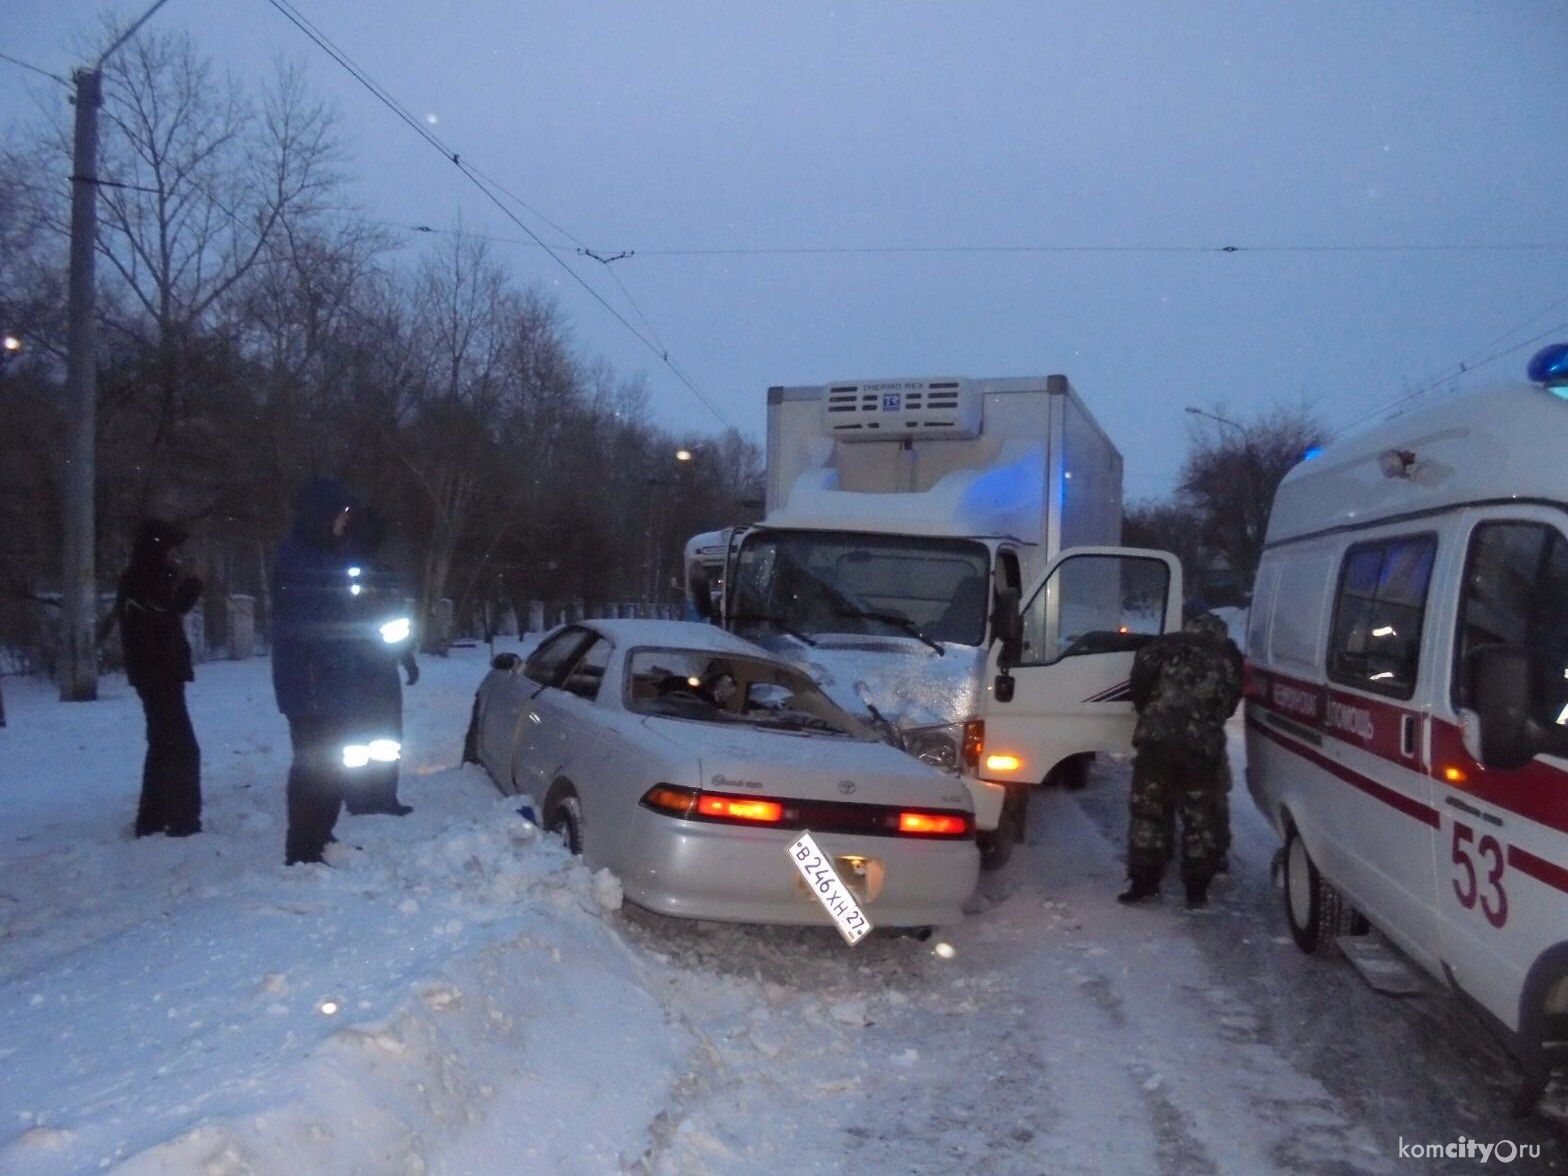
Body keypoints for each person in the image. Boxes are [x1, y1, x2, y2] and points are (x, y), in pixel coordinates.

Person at [1119, 610, 1243, 908]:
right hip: (1201, 748)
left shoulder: (1163, 646)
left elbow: (1137, 686)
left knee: (1149, 810)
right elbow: (1229, 704)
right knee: (1200, 815)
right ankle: (1197, 889)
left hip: (1156, 742)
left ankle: (1144, 882)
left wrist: (1155, 713)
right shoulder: (1227, 656)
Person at [271, 477, 365, 865]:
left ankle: (320, 837)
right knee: (315, 766)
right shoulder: (301, 558)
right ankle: (303, 848)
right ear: (321, 516)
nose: (345, 521)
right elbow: (309, 627)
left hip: (331, 680)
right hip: (311, 683)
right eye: (340, 515)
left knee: (330, 766)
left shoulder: (327, 554)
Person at [109, 520, 204, 838]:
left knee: (164, 746)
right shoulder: (141, 581)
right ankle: (181, 820)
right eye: (170, 549)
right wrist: (189, 588)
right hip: (156, 674)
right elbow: (163, 615)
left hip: (160, 674)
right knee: (180, 748)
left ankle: (153, 819)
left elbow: (166, 613)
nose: (175, 555)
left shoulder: (147, 579)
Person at [341, 505, 417, 817]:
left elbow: (395, 623)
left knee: (375, 736)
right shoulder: (348, 572)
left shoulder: (376, 572)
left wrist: (406, 657)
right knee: (368, 736)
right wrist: (404, 656)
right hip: (364, 668)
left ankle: (373, 796)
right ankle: (367, 797)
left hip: (370, 668)